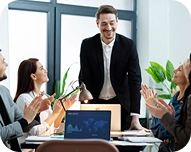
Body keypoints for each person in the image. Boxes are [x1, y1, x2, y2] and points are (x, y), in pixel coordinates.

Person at [78, 5, 142, 131]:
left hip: (121, 104)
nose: (108, 28)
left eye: (112, 23)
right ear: (97, 23)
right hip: (95, 104)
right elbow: (85, 76)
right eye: (104, 23)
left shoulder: (128, 45)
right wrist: (85, 108)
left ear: (117, 22)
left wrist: (135, 116)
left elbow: (135, 80)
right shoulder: (87, 45)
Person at [14, 58, 77, 142]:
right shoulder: (24, 99)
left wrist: (61, 111)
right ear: (33, 76)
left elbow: (52, 129)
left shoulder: (43, 98)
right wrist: (55, 113)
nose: (46, 70)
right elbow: (35, 131)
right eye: (41, 68)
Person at [141, 54, 191, 152]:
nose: (174, 70)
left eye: (180, 69)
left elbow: (163, 132)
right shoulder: (174, 98)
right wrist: (156, 110)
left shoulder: (185, 101)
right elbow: (157, 129)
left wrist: (155, 108)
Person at [0, 50, 41, 152]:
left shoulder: (4, 91)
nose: (7, 64)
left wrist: (35, 113)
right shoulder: (23, 97)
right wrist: (25, 120)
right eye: (3, 61)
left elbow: (24, 123)